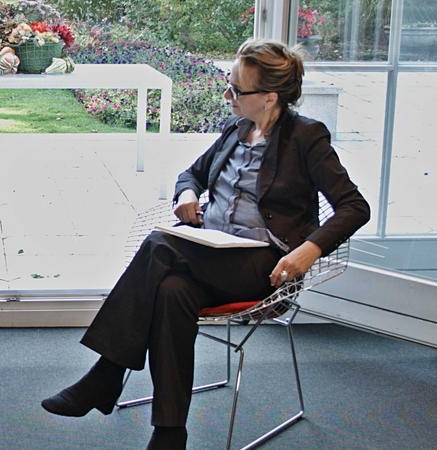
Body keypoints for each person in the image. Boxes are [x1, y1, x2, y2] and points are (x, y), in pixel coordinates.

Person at [41, 39, 370, 449]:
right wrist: (186, 196)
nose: (226, 94)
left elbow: (354, 207)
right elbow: (191, 174)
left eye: (236, 89)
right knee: (172, 291)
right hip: (210, 254)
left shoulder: (305, 137)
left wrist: (309, 249)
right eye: (228, 84)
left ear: (269, 97)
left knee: (159, 245)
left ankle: (106, 375)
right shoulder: (237, 129)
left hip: (263, 263)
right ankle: (169, 434)